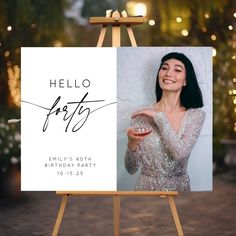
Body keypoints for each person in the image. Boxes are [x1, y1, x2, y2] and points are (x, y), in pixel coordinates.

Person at [124, 52, 205, 191]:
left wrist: (158, 117)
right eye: (164, 68)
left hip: (179, 190)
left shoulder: (196, 115)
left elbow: (180, 154)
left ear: (186, 80)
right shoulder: (141, 115)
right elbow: (131, 169)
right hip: (145, 190)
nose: (168, 73)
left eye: (177, 70)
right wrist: (131, 144)